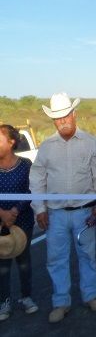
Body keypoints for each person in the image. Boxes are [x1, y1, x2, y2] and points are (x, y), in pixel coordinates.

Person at [29, 93, 96, 323]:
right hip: (55, 215)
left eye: (65, 115)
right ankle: (61, 301)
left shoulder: (91, 143)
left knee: (87, 255)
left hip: (85, 212)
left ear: (74, 114)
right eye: (57, 118)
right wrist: (40, 209)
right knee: (56, 259)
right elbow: (37, 180)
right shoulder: (46, 148)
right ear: (53, 121)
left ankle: (91, 295)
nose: (62, 120)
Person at [0, 125, 38, 321]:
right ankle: (4, 302)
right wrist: (2, 214)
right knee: (2, 264)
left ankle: (26, 297)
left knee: (24, 262)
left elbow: (31, 190)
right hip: (0, 224)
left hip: (22, 221)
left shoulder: (25, 165)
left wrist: (14, 211)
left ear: (11, 142)